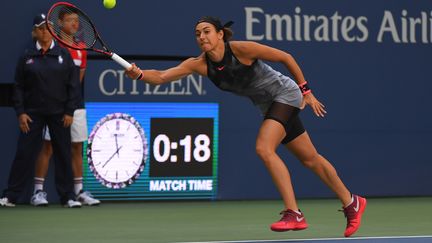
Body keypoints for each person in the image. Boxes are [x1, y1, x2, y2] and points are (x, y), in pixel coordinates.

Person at [125, 16, 367, 237]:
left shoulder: (241, 49)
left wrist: (307, 91)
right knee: (310, 158)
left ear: (220, 34)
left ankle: (294, 213)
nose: (201, 37)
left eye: (207, 31)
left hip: (286, 94)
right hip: (268, 105)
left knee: (264, 148)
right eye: (197, 34)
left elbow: (286, 57)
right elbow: (162, 76)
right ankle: (351, 201)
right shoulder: (198, 64)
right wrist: (139, 75)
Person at [0, 13, 81, 208]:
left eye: (48, 28)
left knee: (63, 153)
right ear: (35, 32)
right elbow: (18, 86)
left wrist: (69, 111)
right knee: (24, 153)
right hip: (32, 114)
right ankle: (11, 195)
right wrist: (21, 112)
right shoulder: (27, 57)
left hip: (59, 114)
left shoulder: (63, 55)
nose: (45, 32)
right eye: (41, 28)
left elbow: (73, 86)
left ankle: (67, 196)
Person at [31, 7, 100, 206]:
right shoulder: (55, 48)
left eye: (77, 21)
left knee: (77, 146)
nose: (75, 24)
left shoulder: (81, 48)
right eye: (70, 20)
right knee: (48, 147)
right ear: (60, 23)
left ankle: (78, 191)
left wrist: (71, 102)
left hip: (76, 105)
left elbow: (77, 80)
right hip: (53, 106)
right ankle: (38, 192)